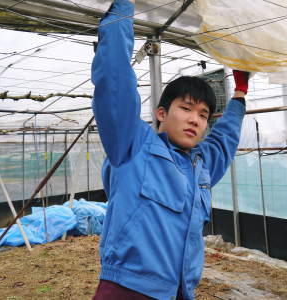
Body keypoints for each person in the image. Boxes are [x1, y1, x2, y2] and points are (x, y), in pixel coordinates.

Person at [91, 0, 250, 299]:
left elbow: (226, 139)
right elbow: (115, 81)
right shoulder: (134, 147)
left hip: (179, 291)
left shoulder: (200, 165)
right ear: (161, 114)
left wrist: (240, 94)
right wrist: (123, 8)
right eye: (186, 108)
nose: (195, 119)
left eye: (203, 115)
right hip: (128, 289)